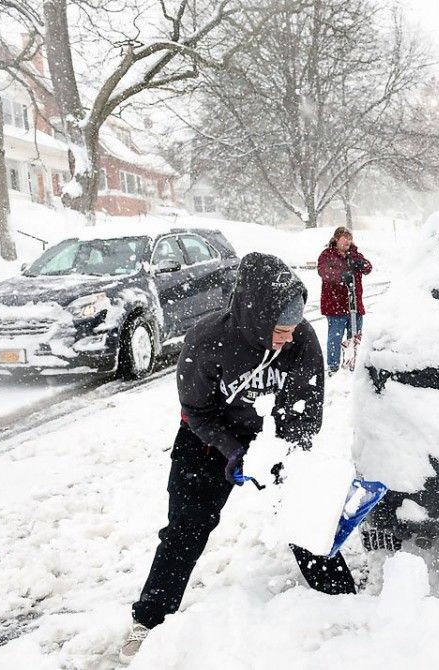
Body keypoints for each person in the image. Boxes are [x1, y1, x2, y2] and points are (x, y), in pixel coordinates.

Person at [121, 252, 356, 662]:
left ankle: (341, 598)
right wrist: (232, 451)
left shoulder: (301, 342)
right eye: (280, 329)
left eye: (293, 328)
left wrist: (278, 454)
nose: (287, 337)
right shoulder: (208, 339)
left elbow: (305, 413)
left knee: (304, 512)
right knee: (187, 527)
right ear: (259, 317)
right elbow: (196, 411)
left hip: (273, 438)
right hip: (208, 439)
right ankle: (149, 620)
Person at [317, 227, 373, 374]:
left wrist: (361, 264)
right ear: (336, 239)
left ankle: (353, 364)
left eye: (350, 238)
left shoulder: (355, 255)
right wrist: (341, 275)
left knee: (355, 337)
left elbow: (368, 268)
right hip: (335, 305)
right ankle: (333, 367)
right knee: (335, 337)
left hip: (355, 305)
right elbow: (323, 271)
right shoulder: (327, 255)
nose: (348, 241)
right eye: (344, 238)